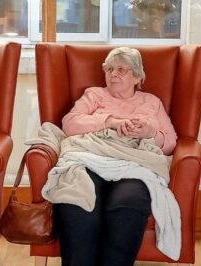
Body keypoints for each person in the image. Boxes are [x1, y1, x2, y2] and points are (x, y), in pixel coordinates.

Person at [55, 47, 177, 266]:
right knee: (77, 201)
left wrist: (149, 133)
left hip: (133, 164)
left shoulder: (151, 102)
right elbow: (70, 123)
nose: (113, 74)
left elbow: (170, 142)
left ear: (137, 77)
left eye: (122, 70)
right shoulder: (94, 95)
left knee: (127, 206)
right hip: (91, 158)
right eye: (109, 69)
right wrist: (109, 121)